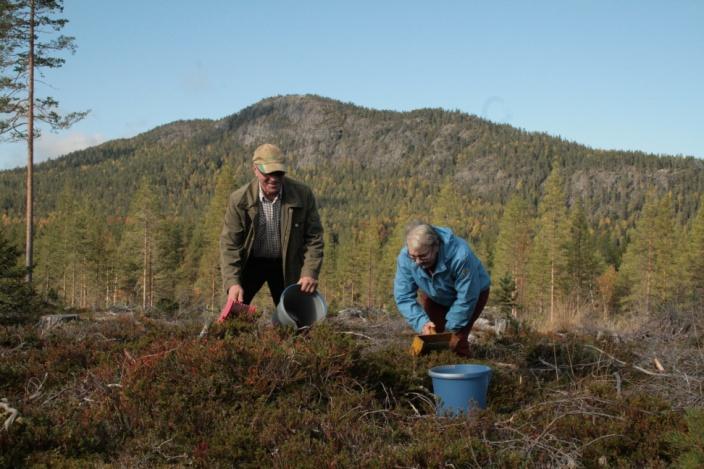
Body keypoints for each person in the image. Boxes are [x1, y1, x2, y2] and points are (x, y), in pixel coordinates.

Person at [219, 143, 324, 308]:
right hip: (251, 263)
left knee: (295, 318)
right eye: (268, 173)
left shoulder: (303, 195)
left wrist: (310, 272)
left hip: (286, 264)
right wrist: (232, 282)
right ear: (255, 169)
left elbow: (314, 238)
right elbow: (230, 245)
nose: (274, 178)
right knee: (234, 310)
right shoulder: (239, 200)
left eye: (279, 173)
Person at [394, 221, 491, 356]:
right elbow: (403, 296)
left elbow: (466, 297)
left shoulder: (460, 256)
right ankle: (431, 373)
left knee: (455, 342)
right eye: (413, 257)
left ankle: (464, 372)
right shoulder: (405, 257)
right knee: (431, 340)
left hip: (472, 294)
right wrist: (422, 323)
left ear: (436, 247)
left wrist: (450, 330)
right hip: (435, 295)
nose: (417, 262)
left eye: (423, 256)